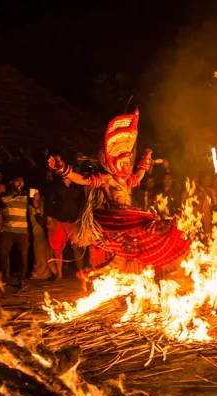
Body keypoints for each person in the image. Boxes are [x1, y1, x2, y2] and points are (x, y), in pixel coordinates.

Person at [47, 110, 191, 287]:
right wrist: (63, 169)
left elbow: (139, 175)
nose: (127, 165)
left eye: (128, 162)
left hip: (131, 223)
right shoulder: (108, 178)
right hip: (120, 223)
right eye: (124, 161)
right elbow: (83, 180)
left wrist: (145, 160)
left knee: (119, 261)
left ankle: (87, 273)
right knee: (141, 241)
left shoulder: (127, 180)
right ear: (115, 162)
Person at [45, 174, 86, 280]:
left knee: (77, 247)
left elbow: (82, 203)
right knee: (57, 249)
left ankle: (81, 273)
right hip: (58, 220)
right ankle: (59, 275)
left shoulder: (77, 186)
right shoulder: (55, 186)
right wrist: (49, 218)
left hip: (74, 221)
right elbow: (48, 201)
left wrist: (82, 219)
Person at [0, 175, 31, 287]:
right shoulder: (4, 196)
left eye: (22, 181)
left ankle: (22, 278)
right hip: (7, 230)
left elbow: (36, 205)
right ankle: (5, 277)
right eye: (17, 181)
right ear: (11, 182)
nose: (20, 183)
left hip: (22, 231)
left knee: (23, 255)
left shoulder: (26, 195)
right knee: (3, 253)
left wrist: (36, 200)